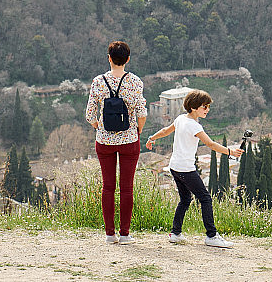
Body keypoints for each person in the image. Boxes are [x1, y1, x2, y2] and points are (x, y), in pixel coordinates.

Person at [146, 90, 243, 248]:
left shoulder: (180, 119)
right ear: (193, 107)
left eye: (208, 107)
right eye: (204, 107)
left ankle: (175, 233)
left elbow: (165, 131)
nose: (207, 110)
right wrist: (230, 151)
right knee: (205, 198)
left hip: (175, 167)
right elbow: (210, 144)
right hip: (185, 169)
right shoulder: (193, 125)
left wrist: (152, 138)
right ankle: (211, 236)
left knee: (185, 200)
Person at [85, 41, 147, 244]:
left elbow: (89, 114)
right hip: (129, 140)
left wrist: (98, 125)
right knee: (127, 187)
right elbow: (142, 113)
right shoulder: (135, 82)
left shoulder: (98, 81)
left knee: (108, 187)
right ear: (128, 59)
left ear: (109, 58)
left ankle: (109, 234)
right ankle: (125, 234)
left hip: (104, 141)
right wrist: (137, 130)